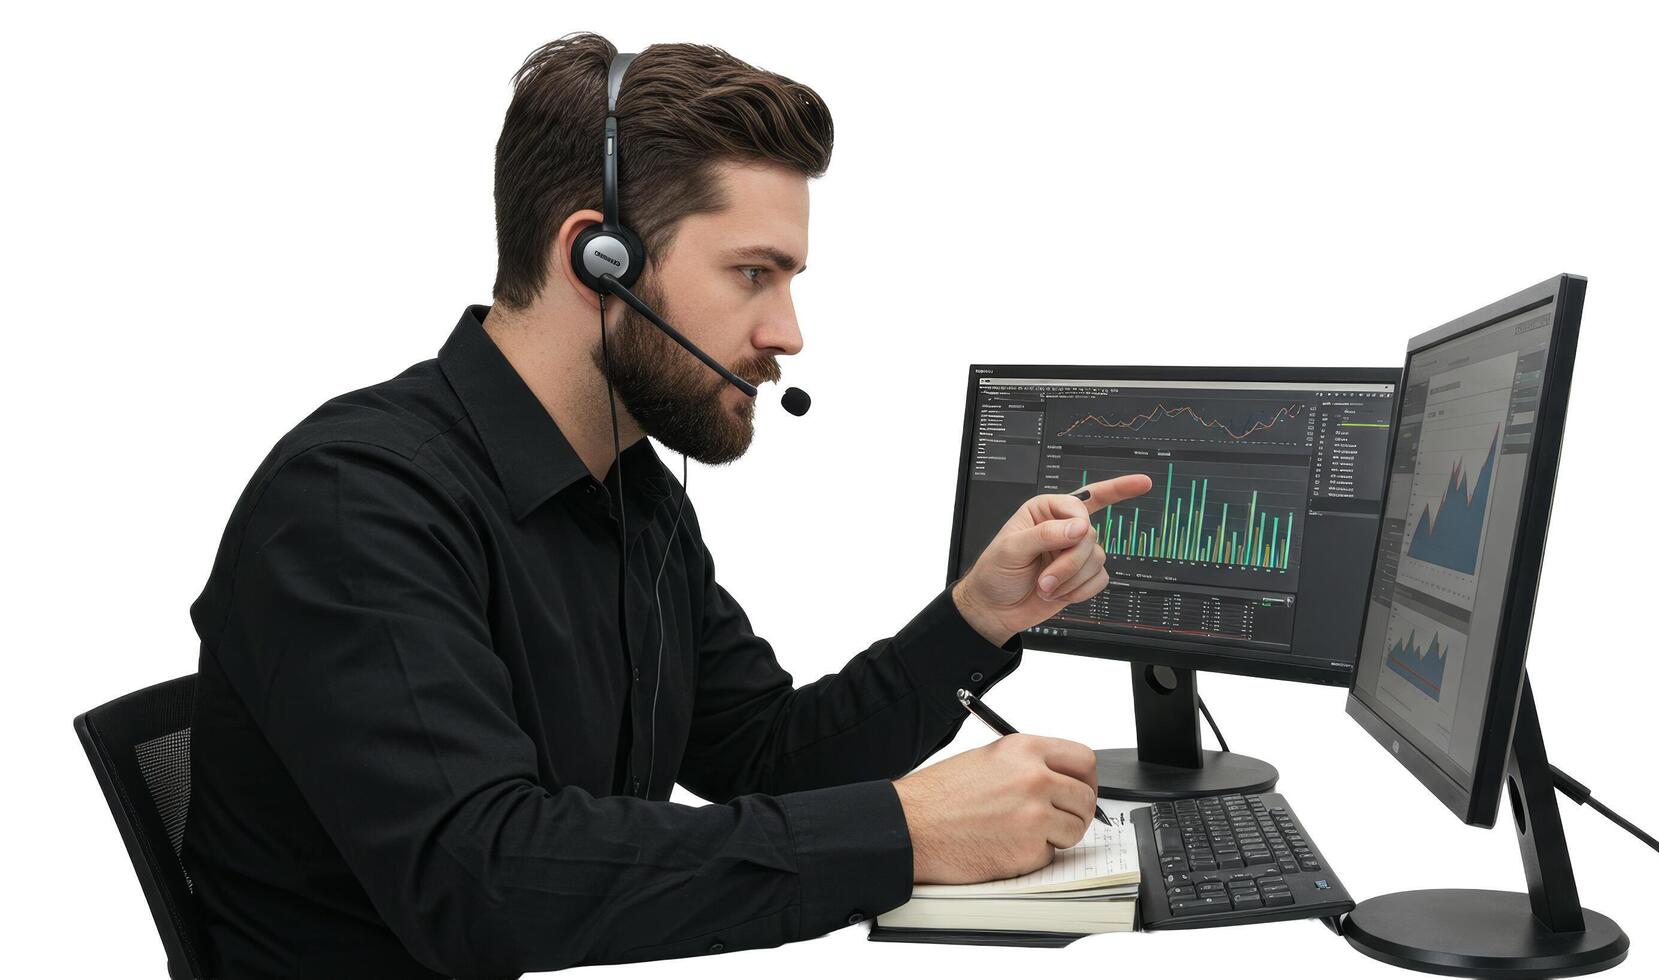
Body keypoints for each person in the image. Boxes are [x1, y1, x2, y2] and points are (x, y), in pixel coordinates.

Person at [183, 33, 1152, 979]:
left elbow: (761, 752)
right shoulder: (357, 502)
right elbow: (483, 879)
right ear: (595, 257)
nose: (789, 333)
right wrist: (905, 831)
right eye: (750, 273)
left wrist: (977, 615)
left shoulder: (632, 492)